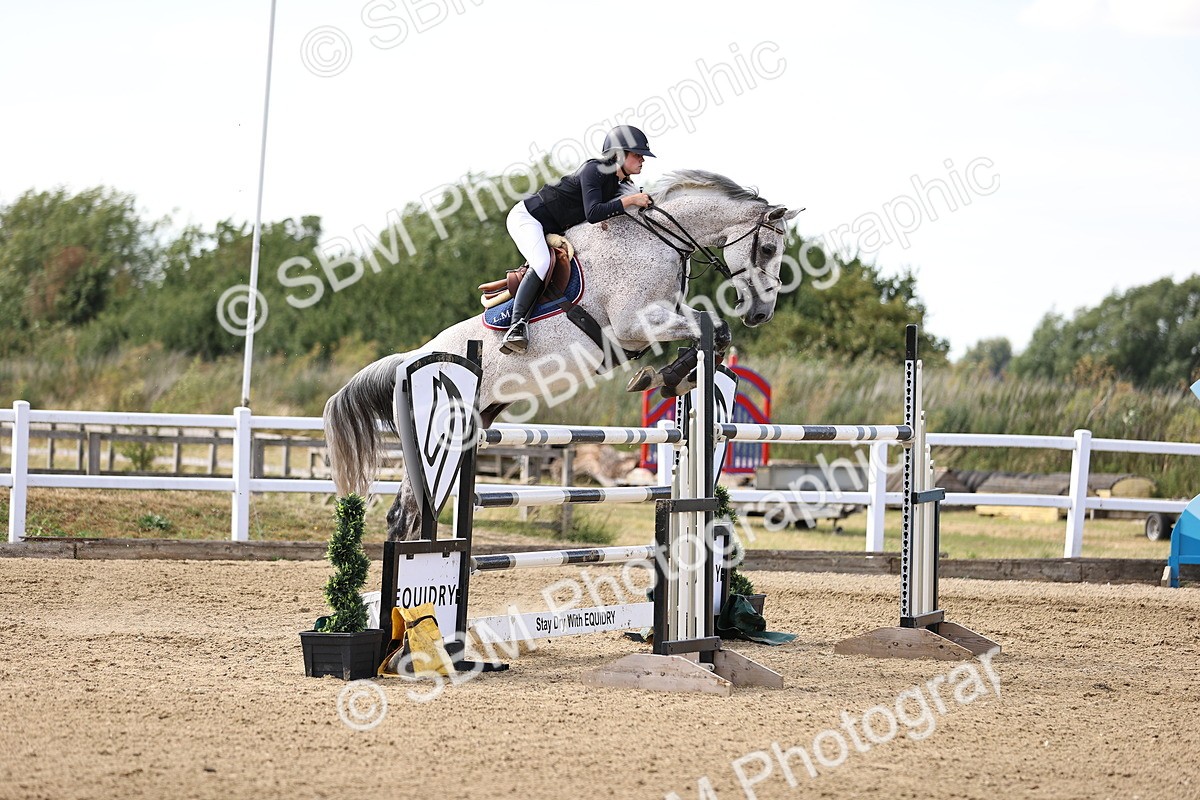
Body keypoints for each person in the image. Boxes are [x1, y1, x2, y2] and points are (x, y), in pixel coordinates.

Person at [500, 125, 656, 355]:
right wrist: (631, 200)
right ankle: (516, 326)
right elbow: (593, 213)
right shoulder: (595, 170)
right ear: (620, 154)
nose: (643, 159)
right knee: (541, 263)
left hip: (555, 227)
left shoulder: (620, 184)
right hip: (528, 218)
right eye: (637, 154)